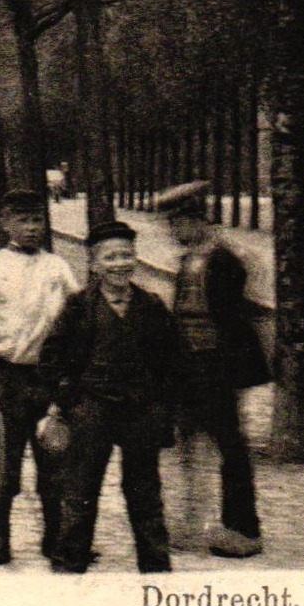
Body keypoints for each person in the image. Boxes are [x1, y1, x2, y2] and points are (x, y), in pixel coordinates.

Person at [41, 221, 179, 573]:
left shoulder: (151, 306)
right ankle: (70, 567)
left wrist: (161, 409)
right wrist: (69, 400)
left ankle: (157, 571)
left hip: (140, 411)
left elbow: (172, 362)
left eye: (127, 255)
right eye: (111, 257)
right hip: (92, 410)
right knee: (80, 492)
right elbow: (53, 356)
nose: (120, 264)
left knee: (145, 495)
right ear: (95, 265)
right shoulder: (78, 307)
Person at [0, 189, 82, 565]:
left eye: (37, 220)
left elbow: (75, 315)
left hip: (49, 378)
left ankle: (55, 539)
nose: (32, 228)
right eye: (23, 220)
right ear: (6, 223)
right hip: (9, 377)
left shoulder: (57, 267)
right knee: (7, 462)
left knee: (53, 461)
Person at [157, 181, 268, 558]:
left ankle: (244, 529)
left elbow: (234, 319)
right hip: (189, 369)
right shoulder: (191, 259)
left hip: (216, 370)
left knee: (230, 448)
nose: (172, 232)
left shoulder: (222, 259)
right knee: (186, 445)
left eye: (177, 224)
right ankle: (189, 525)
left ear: (196, 220)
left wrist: (229, 374)